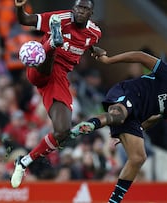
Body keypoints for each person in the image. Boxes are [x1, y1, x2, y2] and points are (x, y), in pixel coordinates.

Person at [70, 47, 167, 203]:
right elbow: (140, 56)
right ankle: (87, 125)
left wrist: (134, 132)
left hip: (135, 118)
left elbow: (155, 117)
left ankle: (114, 200)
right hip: (127, 92)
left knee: (138, 157)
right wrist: (109, 60)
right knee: (119, 115)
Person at [10, 0, 101, 188]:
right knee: (46, 55)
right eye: (77, 7)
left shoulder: (95, 34)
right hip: (40, 66)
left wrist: (94, 50)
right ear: (73, 8)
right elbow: (26, 19)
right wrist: (19, 7)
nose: (79, 11)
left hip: (58, 79)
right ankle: (52, 43)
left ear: (91, 13)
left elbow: (86, 42)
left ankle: (24, 162)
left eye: (85, 9)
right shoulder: (59, 18)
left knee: (63, 131)